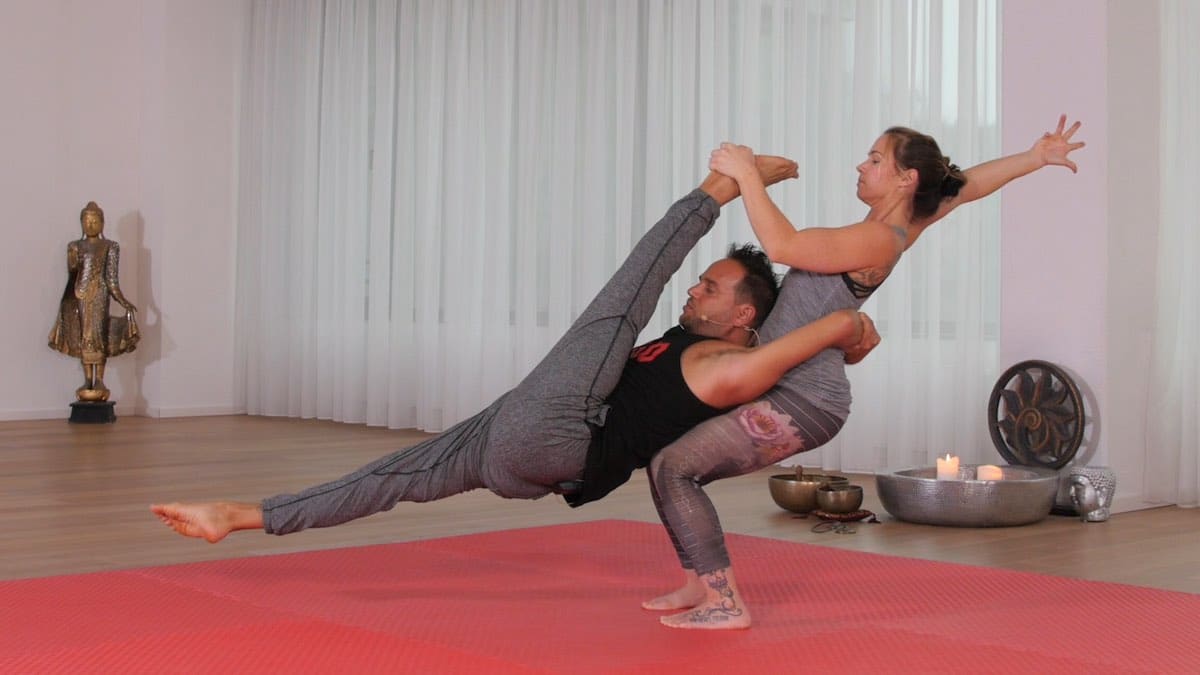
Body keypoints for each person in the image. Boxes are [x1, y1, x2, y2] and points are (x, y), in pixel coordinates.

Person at [151, 158, 882, 545]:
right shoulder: (691, 341)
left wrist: (842, 327)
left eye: (713, 287)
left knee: (616, 307)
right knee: (395, 473)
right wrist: (848, 332)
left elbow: (774, 347)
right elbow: (791, 322)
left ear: (745, 316)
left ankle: (706, 193)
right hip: (523, 454)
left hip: (563, 435)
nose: (696, 291)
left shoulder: (725, 364)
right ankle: (244, 515)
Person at [643, 116, 1086, 630]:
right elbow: (967, 189)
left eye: (876, 159)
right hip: (787, 390)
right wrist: (1034, 157)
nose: (862, 164)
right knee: (667, 465)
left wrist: (745, 174)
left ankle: (725, 603)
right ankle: (701, 583)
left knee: (675, 467)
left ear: (906, 179)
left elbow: (783, 246)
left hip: (804, 402)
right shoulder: (899, 225)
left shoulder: (879, 240)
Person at [48, 201, 140, 402]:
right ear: (81, 223)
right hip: (81, 295)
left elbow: (112, 280)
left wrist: (123, 301)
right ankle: (87, 380)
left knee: (99, 335)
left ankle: (99, 380)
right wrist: (72, 258)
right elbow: (73, 274)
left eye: (95, 220)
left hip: (100, 295)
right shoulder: (75, 246)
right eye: (87, 221)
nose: (90, 224)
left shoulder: (110, 247)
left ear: (102, 223)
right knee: (84, 336)